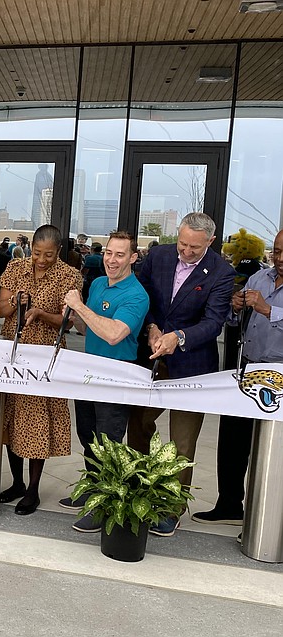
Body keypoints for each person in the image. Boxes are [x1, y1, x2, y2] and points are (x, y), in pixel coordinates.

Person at [127, 212, 234, 537]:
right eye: (183, 244)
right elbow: (140, 296)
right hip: (151, 357)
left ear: (210, 242)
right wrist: (151, 327)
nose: (186, 252)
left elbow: (214, 322)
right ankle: (137, 490)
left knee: (182, 442)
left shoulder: (221, 272)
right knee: (139, 422)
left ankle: (171, 507)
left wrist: (180, 337)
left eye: (194, 249)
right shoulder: (158, 255)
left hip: (192, 365)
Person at [192, 229, 283, 528]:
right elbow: (237, 322)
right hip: (248, 367)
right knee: (232, 437)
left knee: (275, 446)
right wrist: (235, 308)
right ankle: (229, 502)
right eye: (277, 250)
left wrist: (267, 309)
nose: (279, 258)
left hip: (280, 374)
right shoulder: (259, 278)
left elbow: (266, 313)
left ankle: (272, 512)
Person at [60, 231, 150, 532]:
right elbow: (90, 330)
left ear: (133, 258)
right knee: (88, 437)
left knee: (109, 441)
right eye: (109, 253)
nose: (112, 260)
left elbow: (114, 334)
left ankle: (105, 507)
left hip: (116, 376)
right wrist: (74, 316)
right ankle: (93, 492)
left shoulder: (137, 295)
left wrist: (81, 306)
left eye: (120, 255)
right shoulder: (98, 284)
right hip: (89, 371)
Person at [0, 224, 83, 515]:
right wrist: (15, 302)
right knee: (10, 418)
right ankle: (17, 482)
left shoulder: (70, 275)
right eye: (36, 253)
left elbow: (68, 322)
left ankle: (33, 490)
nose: (41, 260)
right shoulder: (15, 267)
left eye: (48, 254)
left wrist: (41, 313)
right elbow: (1, 311)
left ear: (58, 251)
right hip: (14, 353)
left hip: (45, 357)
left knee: (36, 424)